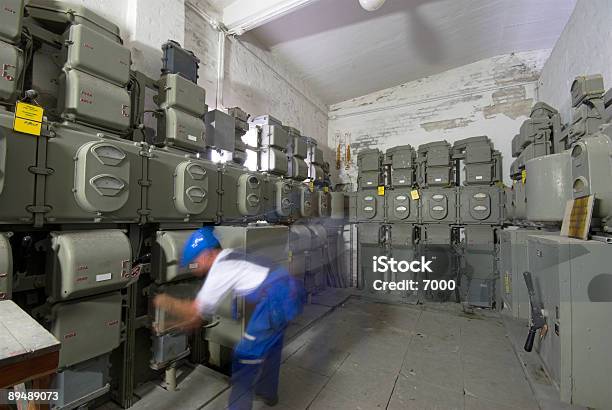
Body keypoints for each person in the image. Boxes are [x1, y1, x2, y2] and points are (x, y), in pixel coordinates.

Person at [153, 227, 303, 410]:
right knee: (272, 345)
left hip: (274, 300)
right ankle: (268, 393)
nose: (194, 267)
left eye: (195, 260)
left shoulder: (220, 269)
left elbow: (194, 313)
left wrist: (165, 302)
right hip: (288, 291)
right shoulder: (231, 254)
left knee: (244, 359)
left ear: (208, 254)